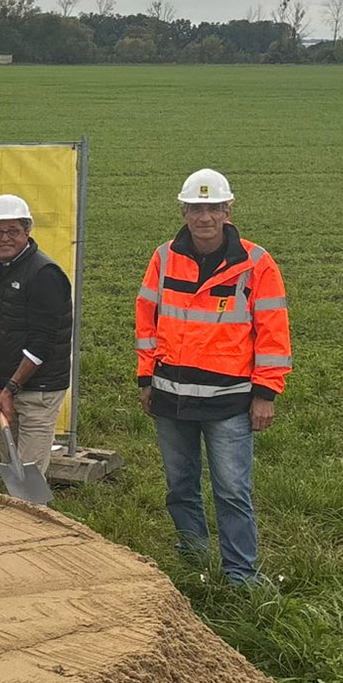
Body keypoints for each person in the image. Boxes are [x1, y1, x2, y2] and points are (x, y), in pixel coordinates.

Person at [135, 168, 292, 586]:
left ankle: (241, 575)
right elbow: (146, 322)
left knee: (232, 493)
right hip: (171, 397)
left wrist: (267, 393)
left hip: (229, 402)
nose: (205, 217)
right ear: (185, 212)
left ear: (228, 210)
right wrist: (145, 380)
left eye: (214, 208)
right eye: (197, 208)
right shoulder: (164, 257)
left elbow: (273, 333)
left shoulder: (256, 263)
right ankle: (194, 561)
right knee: (180, 486)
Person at [0, 193, 74, 475]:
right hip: (8, 385)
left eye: (12, 231)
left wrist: (10, 390)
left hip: (37, 390)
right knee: (12, 467)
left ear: (27, 231)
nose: (4, 238)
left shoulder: (46, 274)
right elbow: (12, 298)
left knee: (29, 472)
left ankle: (33, 512)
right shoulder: (5, 264)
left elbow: (41, 344)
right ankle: (16, 512)